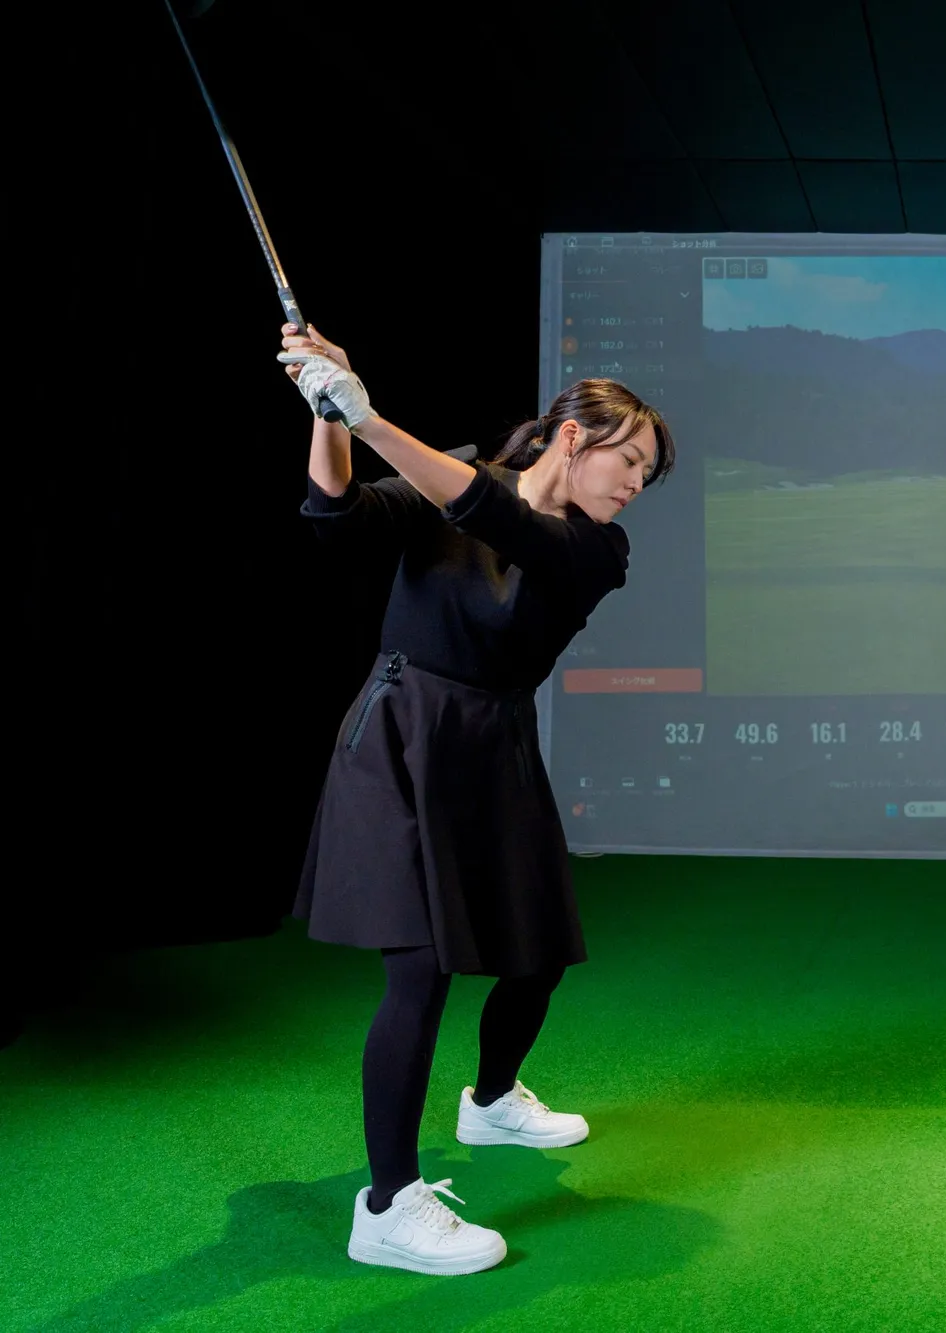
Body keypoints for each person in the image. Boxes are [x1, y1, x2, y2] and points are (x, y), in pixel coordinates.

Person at [279, 325, 673, 1275]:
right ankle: (387, 1203)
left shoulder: (597, 548)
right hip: (400, 733)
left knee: (539, 953)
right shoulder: (455, 470)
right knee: (419, 969)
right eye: (629, 461)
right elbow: (338, 515)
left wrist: (371, 417)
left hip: (495, 744)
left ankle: (491, 1101)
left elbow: (498, 518)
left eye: (647, 475)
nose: (636, 485)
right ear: (574, 437)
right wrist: (330, 413)